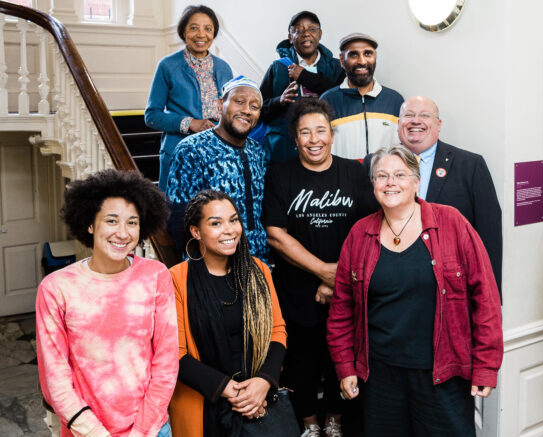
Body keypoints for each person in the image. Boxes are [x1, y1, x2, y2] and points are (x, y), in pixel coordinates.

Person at [327, 144, 503, 436]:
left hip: (441, 374)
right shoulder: (359, 234)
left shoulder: (452, 223)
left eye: (400, 174)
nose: (391, 182)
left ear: (417, 181)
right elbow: (341, 309)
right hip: (379, 376)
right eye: (382, 176)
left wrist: (486, 365)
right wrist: (345, 366)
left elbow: (485, 297)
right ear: (373, 184)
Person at [263, 98, 377, 437]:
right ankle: (310, 422)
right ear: (295, 139)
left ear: (332, 134)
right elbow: (276, 235)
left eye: (321, 131)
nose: (314, 139)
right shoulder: (280, 173)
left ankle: (335, 419)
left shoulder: (354, 172)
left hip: (348, 285)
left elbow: (370, 229)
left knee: (340, 356)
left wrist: (336, 277)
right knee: (302, 360)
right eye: (305, 133)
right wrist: (322, 271)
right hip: (297, 289)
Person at [36, 169, 177, 437]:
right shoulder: (56, 288)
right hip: (85, 431)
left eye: (132, 223)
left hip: (151, 430)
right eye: (112, 221)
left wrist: (141, 431)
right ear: (91, 224)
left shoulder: (156, 276)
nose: (123, 233)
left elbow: (166, 363)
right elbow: (55, 378)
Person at [168, 189, 290, 437]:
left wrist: (263, 382)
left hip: (259, 400)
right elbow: (174, 354)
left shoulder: (258, 271)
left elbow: (277, 331)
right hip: (204, 406)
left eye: (234, 220)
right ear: (196, 232)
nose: (229, 230)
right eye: (215, 223)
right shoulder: (175, 279)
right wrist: (235, 393)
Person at [371, 95, 503, 292]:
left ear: (438, 124)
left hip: (452, 288)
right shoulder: (374, 164)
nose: (416, 121)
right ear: (398, 124)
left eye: (424, 115)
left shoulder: (470, 166)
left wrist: (489, 295)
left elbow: (489, 235)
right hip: (391, 285)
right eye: (409, 115)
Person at [166, 76, 270, 262]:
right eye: (239, 102)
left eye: (254, 107)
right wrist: (202, 264)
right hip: (212, 266)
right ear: (221, 103)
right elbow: (180, 216)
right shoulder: (192, 148)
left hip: (257, 263)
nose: (246, 110)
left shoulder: (257, 151)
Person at [145, 4, 233, 191]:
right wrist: (191, 123)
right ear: (183, 31)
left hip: (217, 153)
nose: (201, 34)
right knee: (177, 215)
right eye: (194, 28)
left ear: (214, 33)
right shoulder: (168, 66)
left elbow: (229, 109)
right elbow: (151, 116)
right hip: (179, 151)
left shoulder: (224, 68)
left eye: (208, 29)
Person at [259, 11, 344, 163]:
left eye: (312, 29)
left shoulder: (336, 67)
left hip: (325, 148)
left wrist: (304, 76)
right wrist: (280, 101)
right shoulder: (277, 68)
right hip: (284, 149)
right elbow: (259, 110)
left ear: (320, 34)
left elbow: (342, 99)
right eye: (298, 30)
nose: (306, 34)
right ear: (290, 38)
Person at [320, 33, 403, 160]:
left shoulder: (395, 101)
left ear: (375, 57)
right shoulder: (327, 101)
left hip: (385, 179)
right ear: (342, 60)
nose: (362, 61)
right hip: (342, 179)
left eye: (368, 54)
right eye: (353, 54)